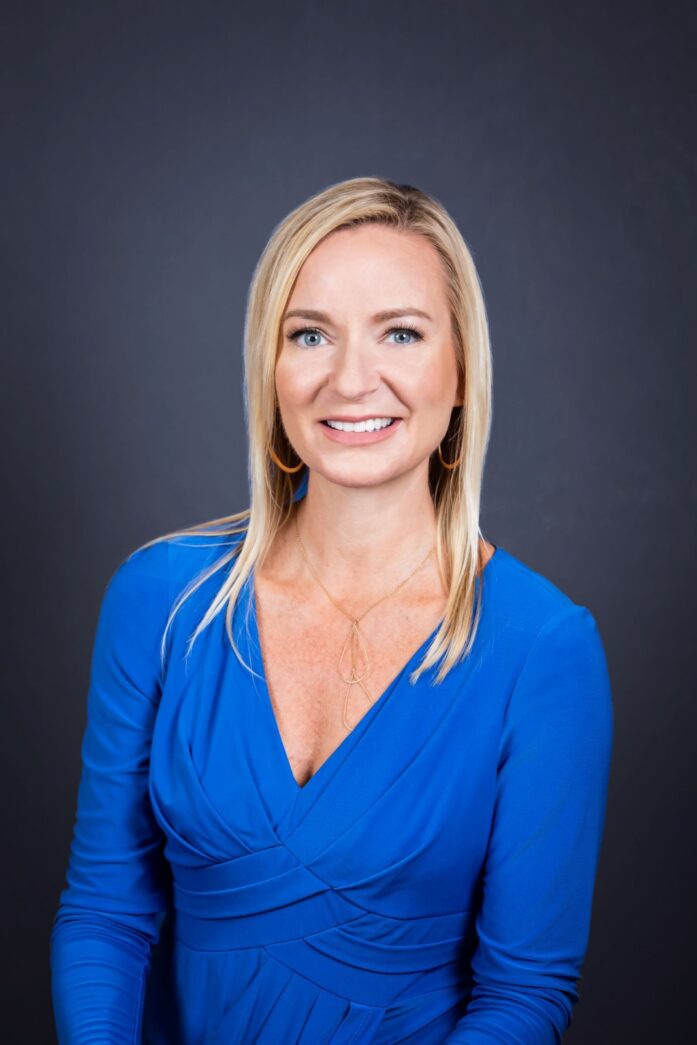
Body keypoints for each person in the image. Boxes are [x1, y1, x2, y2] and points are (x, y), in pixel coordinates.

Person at [49, 177, 614, 1043]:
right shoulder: (161, 597)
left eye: (400, 332)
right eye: (310, 334)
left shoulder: (544, 648)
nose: (351, 379)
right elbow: (104, 913)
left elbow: (522, 996)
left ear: (460, 371)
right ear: (270, 369)